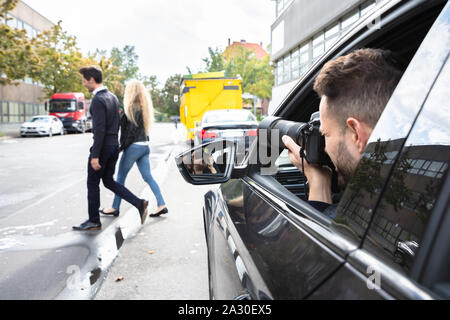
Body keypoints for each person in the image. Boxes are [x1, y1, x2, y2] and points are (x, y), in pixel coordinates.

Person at [282, 48, 403, 216]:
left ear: (356, 135)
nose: (324, 148)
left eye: (326, 134)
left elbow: (314, 242)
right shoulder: (404, 189)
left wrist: (319, 184)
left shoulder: (364, 212)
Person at [73, 66, 149, 231]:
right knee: (108, 181)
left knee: (92, 183)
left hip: (102, 149)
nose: (84, 83)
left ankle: (94, 220)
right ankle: (139, 203)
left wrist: (95, 155)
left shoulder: (98, 100)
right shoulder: (113, 97)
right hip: (113, 147)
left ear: (91, 79)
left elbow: (99, 130)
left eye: (84, 80)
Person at [100, 80, 168, 218]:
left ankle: (115, 207)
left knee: (120, 177)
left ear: (129, 92)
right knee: (148, 177)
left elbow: (130, 133)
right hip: (144, 146)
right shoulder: (144, 107)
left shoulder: (131, 107)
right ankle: (162, 204)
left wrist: (120, 148)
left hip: (134, 147)